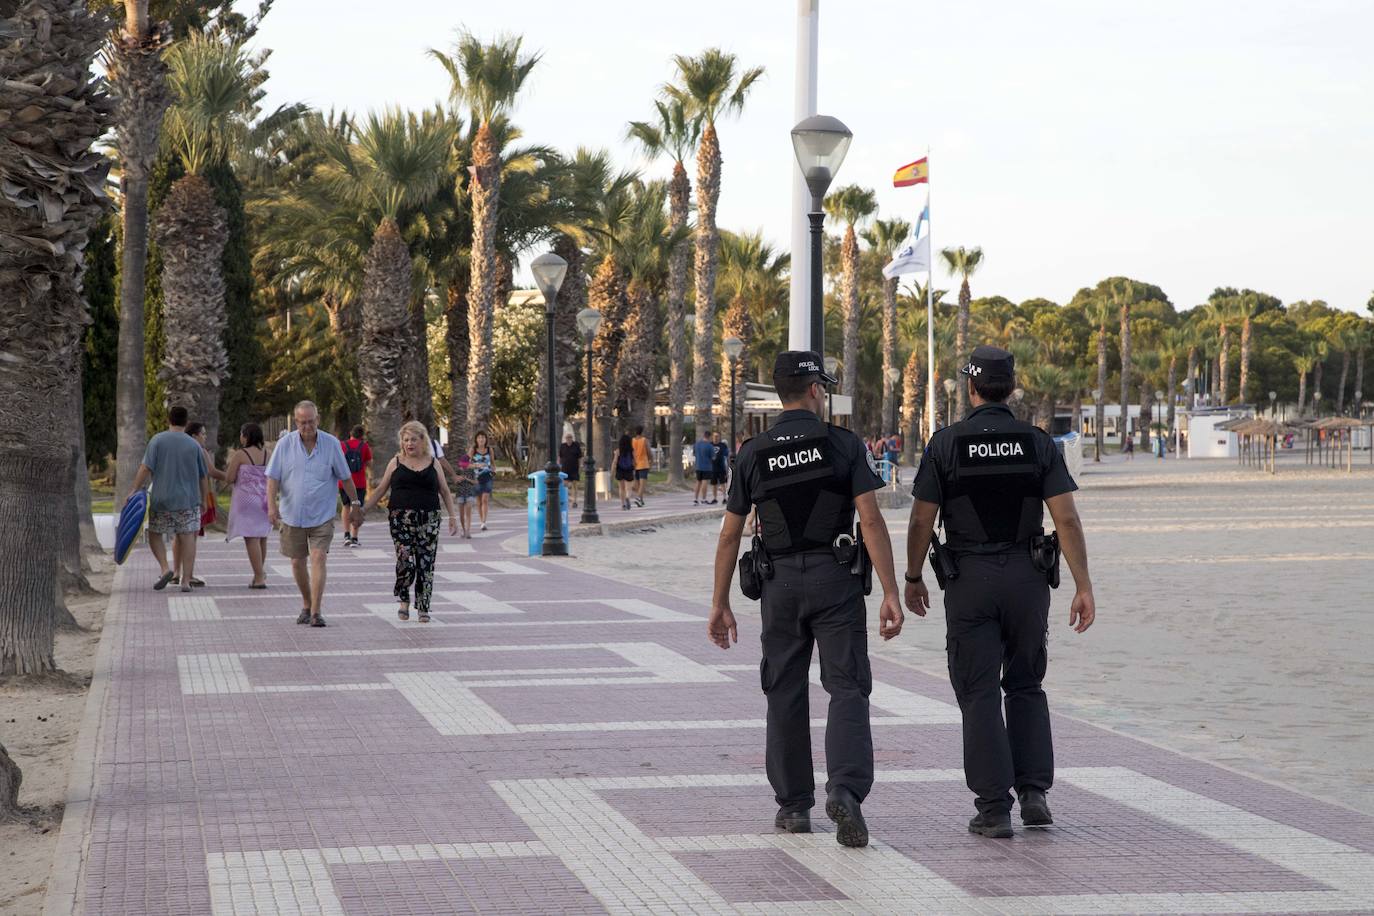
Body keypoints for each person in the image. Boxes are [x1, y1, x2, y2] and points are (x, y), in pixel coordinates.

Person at [707, 351, 905, 849]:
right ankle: (846, 789)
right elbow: (872, 520)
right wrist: (889, 590)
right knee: (847, 687)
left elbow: (729, 535)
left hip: (778, 589)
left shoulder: (753, 452)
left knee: (784, 691)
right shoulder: (842, 444)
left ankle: (794, 806)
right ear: (815, 390)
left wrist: (719, 602)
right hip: (835, 580)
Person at [903, 345, 1095, 839]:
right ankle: (1034, 794)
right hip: (1028, 580)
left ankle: (993, 809)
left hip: (969, 580)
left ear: (970, 389)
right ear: (1011, 388)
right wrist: (1083, 585)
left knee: (979, 692)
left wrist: (912, 576)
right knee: (1026, 683)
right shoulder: (1037, 443)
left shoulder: (945, 444)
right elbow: (1066, 517)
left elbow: (922, 518)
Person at [266, 400, 362, 627]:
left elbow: (345, 477)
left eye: (310, 422)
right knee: (297, 563)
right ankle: (307, 604)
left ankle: (317, 612)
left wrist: (356, 503)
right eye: (302, 422)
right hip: (292, 515)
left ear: (317, 420)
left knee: (318, 557)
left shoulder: (331, 444)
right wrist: (271, 506)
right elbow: (273, 478)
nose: (306, 426)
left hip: (322, 515)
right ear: (295, 422)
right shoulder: (285, 445)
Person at [363, 421, 458, 623]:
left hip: (429, 519)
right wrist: (362, 510)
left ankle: (423, 607)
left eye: (413, 439)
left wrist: (452, 517)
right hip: (400, 519)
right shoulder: (396, 462)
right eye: (406, 440)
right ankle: (404, 601)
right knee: (405, 560)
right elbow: (380, 489)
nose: (409, 444)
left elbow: (445, 491)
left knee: (426, 563)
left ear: (422, 440)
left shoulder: (433, 463)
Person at [127, 405, 211, 592]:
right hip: (188, 500)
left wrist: (134, 489)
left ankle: (166, 568)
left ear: (168, 420)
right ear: (186, 422)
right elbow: (203, 476)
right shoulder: (194, 445)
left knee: (155, 534)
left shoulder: (157, 440)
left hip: (161, 499)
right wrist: (205, 500)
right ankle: (186, 581)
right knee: (188, 537)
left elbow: (145, 468)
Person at [225, 422, 270, 588]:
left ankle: (259, 577)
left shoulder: (240, 454)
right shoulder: (268, 454)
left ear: (246, 436)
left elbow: (229, 478)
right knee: (262, 537)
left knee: (251, 538)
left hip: (246, 501)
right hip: (264, 500)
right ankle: (260, 573)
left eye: (241, 434)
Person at [338, 425, 372, 547]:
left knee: (346, 506)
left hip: (344, 481)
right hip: (359, 482)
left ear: (350, 433)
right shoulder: (364, 446)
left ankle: (346, 535)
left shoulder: (342, 445)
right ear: (362, 435)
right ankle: (354, 537)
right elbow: (369, 462)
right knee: (356, 507)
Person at [470, 431, 495, 531]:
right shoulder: (473, 450)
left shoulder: (490, 449)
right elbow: (464, 464)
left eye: (483, 438)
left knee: (485, 499)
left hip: (487, 476)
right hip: (476, 478)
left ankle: (484, 522)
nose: (481, 439)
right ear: (476, 439)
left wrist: (493, 470)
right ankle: (481, 521)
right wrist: (476, 465)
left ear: (486, 439)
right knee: (479, 501)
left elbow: (492, 463)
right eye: (479, 437)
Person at [452, 453, 477, 537]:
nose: (464, 466)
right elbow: (454, 482)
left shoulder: (471, 471)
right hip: (460, 494)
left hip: (469, 493)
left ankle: (468, 531)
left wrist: (467, 479)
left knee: (468, 513)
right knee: (461, 514)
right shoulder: (458, 471)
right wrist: (458, 479)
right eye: (463, 464)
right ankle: (463, 530)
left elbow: (475, 482)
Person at [559, 433, 583, 509]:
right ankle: (564, 500)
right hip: (565, 468)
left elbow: (580, 457)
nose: (568, 439)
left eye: (570, 437)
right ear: (565, 439)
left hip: (575, 468)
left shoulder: (576, 445)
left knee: (574, 485)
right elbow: (559, 457)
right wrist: (558, 465)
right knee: (564, 485)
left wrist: (581, 466)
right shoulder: (563, 446)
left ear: (572, 438)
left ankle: (574, 501)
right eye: (567, 438)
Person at [631, 426, 652, 508]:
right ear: (642, 432)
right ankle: (638, 498)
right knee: (642, 484)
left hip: (635, 465)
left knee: (638, 485)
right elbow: (649, 452)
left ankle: (641, 500)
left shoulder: (632, 441)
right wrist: (651, 459)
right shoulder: (644, 440)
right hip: (643, 464)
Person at [693, 429, 715, 505]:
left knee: (698, 482)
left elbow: (694, 454)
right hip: (707, 467)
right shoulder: (710, 446)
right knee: (704, 482)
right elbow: (713, 457)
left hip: (698, 466)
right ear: (709, 437)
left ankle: (695, 499)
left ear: (704, 435)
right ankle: (704, 499)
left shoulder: (697, 444)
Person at [614, 434, 636, 510]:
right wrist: (634, 468)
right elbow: (634, 461)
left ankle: (623, 504)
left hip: (620, 470)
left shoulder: (618, 451)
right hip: (629, 470)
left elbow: (615, 461)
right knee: (629, 488)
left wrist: (613, 469)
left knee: (621, 488)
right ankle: (627, 497)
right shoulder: (632, 451)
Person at [710, 431, 729, 504]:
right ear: (712, 437)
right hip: (712, 468)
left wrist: (727, 467)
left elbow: (727, 456)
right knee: (714, 484)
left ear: (720, 437)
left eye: (717, 436)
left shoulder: (723, 445)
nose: (716, 437)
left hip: (721, 467)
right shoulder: (710, 445)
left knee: (723, 483)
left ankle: (725, 498)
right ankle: (715, 498)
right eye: (714, 436)